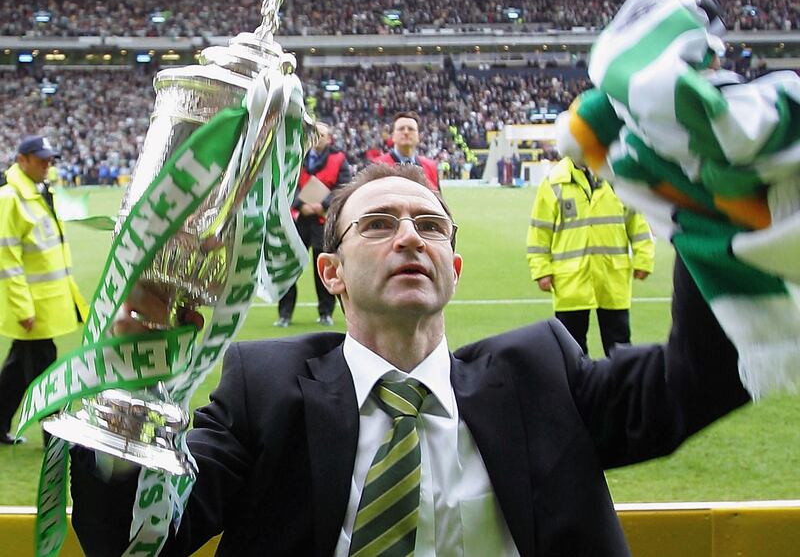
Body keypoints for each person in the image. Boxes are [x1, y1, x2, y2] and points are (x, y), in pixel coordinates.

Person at [71, 163, 750, 557]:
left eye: (429, 226)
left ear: (452, 266)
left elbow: (703, 376)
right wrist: (127, 377)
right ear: (329, 272)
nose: (408, 237)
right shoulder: (264, 389)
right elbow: (134, 537)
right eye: (378, 223)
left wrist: (714, 207)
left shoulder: (543, 371)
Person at [0, 135, 87, 445]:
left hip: (46, 305)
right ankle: (55, 434)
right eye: (41, 160)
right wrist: (23, 309)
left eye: (50, 160)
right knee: (47, 372)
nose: (47, 166)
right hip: (34, 309)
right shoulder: (11, 199)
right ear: (21, 160)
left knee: (17, 371)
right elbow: (8, 261)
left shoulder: (38, 193)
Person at [527, 156, 655, 356]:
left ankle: (621, 388)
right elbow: (539, 232)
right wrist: (541, 270)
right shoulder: (554, 182)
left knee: (620, 347)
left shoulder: (618, 179)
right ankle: (577, 389)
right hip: (571, 282)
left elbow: (637, 223)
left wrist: (643, 259)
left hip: (611, 279)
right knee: (571, 350)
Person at [275, 122, 351, 327]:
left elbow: (344, 187)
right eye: (315, 134)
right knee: (290, 266)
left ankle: (325, 312)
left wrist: (322, 205)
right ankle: (284, 314)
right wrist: (301, 204)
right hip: (298, 220)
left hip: (322, 221)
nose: (318, 138)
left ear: (329, 139)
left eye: (323, 134)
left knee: (325, 266)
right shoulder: (295, 156)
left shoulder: (338, 158)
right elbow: (283, 183)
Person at [374, 111, 440, 190]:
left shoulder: (431, 167)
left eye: (411, 129)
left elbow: (437, 200)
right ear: (393, 136)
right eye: (401, 129)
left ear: (418, 136)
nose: (406, 132)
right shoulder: (378, 165)